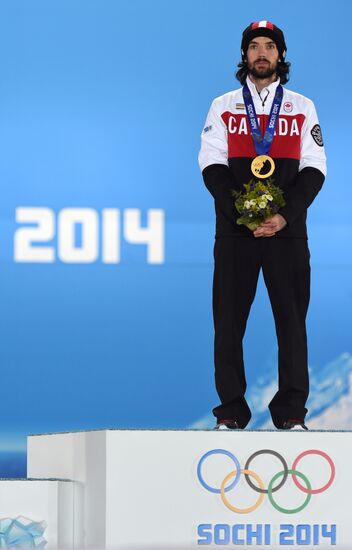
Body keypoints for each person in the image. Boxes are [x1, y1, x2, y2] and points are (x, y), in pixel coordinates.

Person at [198, 21, 326, 431]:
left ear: (281, 56)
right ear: (244, 56)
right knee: (228, 322)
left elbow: (315, 168)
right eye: (253, 46)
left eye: (269, 46)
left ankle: (291, 412)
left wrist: (283, 214)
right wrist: (244, 215)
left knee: (291, 321)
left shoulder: (303, 107)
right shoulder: (223, 105)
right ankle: (231, 411)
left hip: (287, 232)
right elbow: (211, 164)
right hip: (236, 233)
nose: (261, 53)